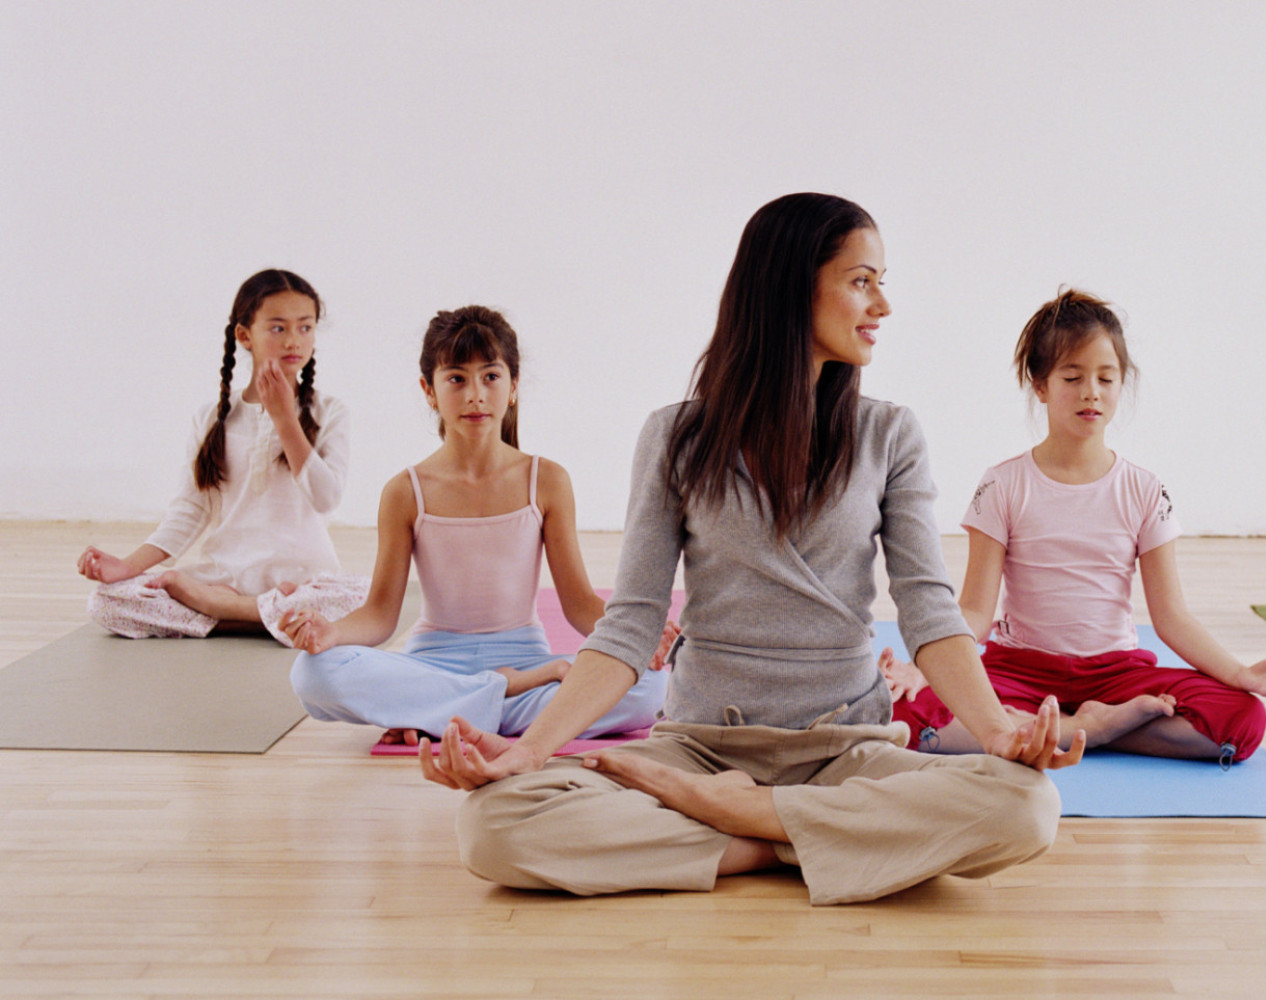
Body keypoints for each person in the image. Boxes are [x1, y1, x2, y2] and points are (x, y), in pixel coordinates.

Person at [417, 193, 1080, 906]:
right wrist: (526, 752)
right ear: (793, 287)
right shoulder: (675, 436)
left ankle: (750, 826)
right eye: (862, 281)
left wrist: (997, 735)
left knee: (1027, 805)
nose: (881, 305)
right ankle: (791, 844)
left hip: (844, 751)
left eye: (882, 282)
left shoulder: (890, 435)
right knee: (492, 826)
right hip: (701, 748)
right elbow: (632, 621)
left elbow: (928, 611)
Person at [879, 289, 1266, 763]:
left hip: (1116, 676)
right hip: (1019, 670)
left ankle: (1058, 729)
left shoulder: (1144, 489)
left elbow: (1171, 618)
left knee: (1243, 719)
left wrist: (1239, 674)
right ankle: (1091, 730)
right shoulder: (1002, 484)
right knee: (902, 713)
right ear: (1040, 385)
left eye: (1106, 378)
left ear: (1123, 384)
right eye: (1073, 377)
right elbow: (975, 611)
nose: (1091, 392)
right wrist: (927, 670)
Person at [283, 306, 669, 745]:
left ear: (513, 386)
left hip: (529, 664)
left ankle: (442, 713)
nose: (475, 395)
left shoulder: (547, 481)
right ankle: (497, 698)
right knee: (313, 672)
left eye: (490, 377)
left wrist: (640, 639)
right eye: (456, 379)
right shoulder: (404, 492)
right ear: (429, 390)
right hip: (434, 666)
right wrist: (331, 633)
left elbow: (579, 604)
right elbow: (380, 615)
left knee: (650, 687)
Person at [75, 269, 364, 644]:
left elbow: (327, 498)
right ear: (245, 336)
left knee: (359, 598)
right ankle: (259, 615)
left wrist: (284, 420)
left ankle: (221, 612)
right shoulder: (211, 417)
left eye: (305, 328)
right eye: (278, 328)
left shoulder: (331, 412)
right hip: (224, 577)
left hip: (302, 581)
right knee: (106, 601)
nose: (294, 340)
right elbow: (189, 511)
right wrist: (126, 566)